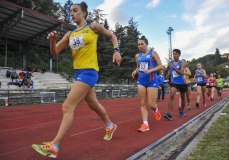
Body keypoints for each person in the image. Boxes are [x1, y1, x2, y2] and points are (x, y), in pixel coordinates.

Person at [32, 2, 122, 158]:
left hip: (89, 71)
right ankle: (110, 125)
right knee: (93, 104)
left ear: (84, 13)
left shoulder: (93, 27)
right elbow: (55, 52)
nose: (72, 13)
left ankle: (54, 146)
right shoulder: (70, 34)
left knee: (67, 106)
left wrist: (116, 51)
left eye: (75, 11)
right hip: (78, 73)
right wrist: (53, 41)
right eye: (70, 11)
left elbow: (112, 36)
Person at [132, 36, 163, 132]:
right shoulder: (137, 56)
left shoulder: (153, 53)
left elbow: (161, 66)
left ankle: (156, 109)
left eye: (142, 44)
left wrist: (150, 70)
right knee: (142, 103)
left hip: (152, 80)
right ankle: (145, 124)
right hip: (141, 81)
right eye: (138, 44)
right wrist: (135, 71)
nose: (140, 46)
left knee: (151, 104)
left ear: (146, 44)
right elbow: (138, 67)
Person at [164, 49, 187, 120]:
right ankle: (170, 114)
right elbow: (170, 71)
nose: (174, 55)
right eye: (173, 54)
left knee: (183, 97)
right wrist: (168, 75)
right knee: (171, 95)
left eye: (176, 54)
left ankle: (182, 110)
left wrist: (172, 66)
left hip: (182, 82)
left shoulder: (182, 62)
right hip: (174, 83)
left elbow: (181, 73)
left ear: (179, 55)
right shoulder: (170, 62)